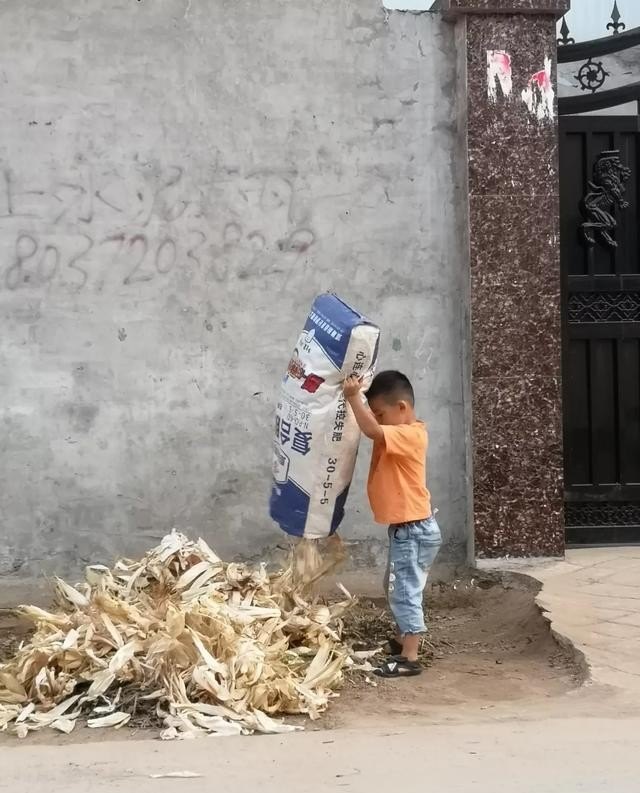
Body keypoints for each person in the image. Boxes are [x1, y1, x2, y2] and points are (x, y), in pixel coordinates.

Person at [343, 370, 442, 678]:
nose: (378, 420)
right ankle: (402, 641)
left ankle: (409, 657)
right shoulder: (399, 430)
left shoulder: (411, 434)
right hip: (408, 530)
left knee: (404, 592)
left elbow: (371, 430)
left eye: (380, 414)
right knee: (396, 587)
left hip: (413, 530)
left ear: (402, 408)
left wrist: (352, 397)